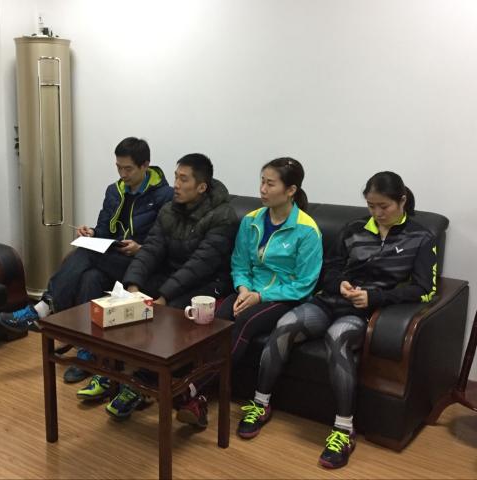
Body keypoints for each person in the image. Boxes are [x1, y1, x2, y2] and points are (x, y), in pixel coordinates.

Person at [239, 171, 437, 469]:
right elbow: (329, 269)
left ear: (402, 200)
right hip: (329, 301)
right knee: (285, 326)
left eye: (384, 206)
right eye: (371, 206)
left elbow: (424, 289)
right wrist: (339, 283)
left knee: (337, 337)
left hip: (363, 312)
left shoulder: (420, 238)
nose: (377, 213)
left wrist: (374, 297)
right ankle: (260, 403)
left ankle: (344, 430)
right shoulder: (354, 228)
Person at [0, 137, 173, 383]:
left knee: (87, 253)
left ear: (145, 165)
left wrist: (141, 248)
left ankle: (43, 307)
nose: (122, 174)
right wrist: (91, 233)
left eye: (128, 169)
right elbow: (104, 230)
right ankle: (88, 352)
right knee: (90, 276)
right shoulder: (114, 191)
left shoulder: (165, 196)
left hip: (142, 264)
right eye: (118, 167)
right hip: (113, 258)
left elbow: (166, 241)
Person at [87, 153, 239, 420]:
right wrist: (133, 286)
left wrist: (164, 298)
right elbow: (151, 249)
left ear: (201, 187)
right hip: (171, 275)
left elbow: (200, 265)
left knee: (169, 315)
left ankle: (142, 383)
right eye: (176, 177)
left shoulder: (223, 216)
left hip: (207, 284)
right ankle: (109, 369)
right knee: (122, 295)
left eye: (183, 179)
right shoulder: (170, 208)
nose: (176, 184)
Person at [175, 157, 323, 428]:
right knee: (217, 321)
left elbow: (304, 283)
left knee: (243, 322)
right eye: (262, 182)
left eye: (270, 184)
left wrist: (260, 296)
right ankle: (197, 398)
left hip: (283, 297)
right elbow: (240, 263)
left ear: (291, 190)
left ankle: (191, 388)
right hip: (249, 290)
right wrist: (244, 289)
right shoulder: (252, 220)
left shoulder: (307, 230)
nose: (263, 189)